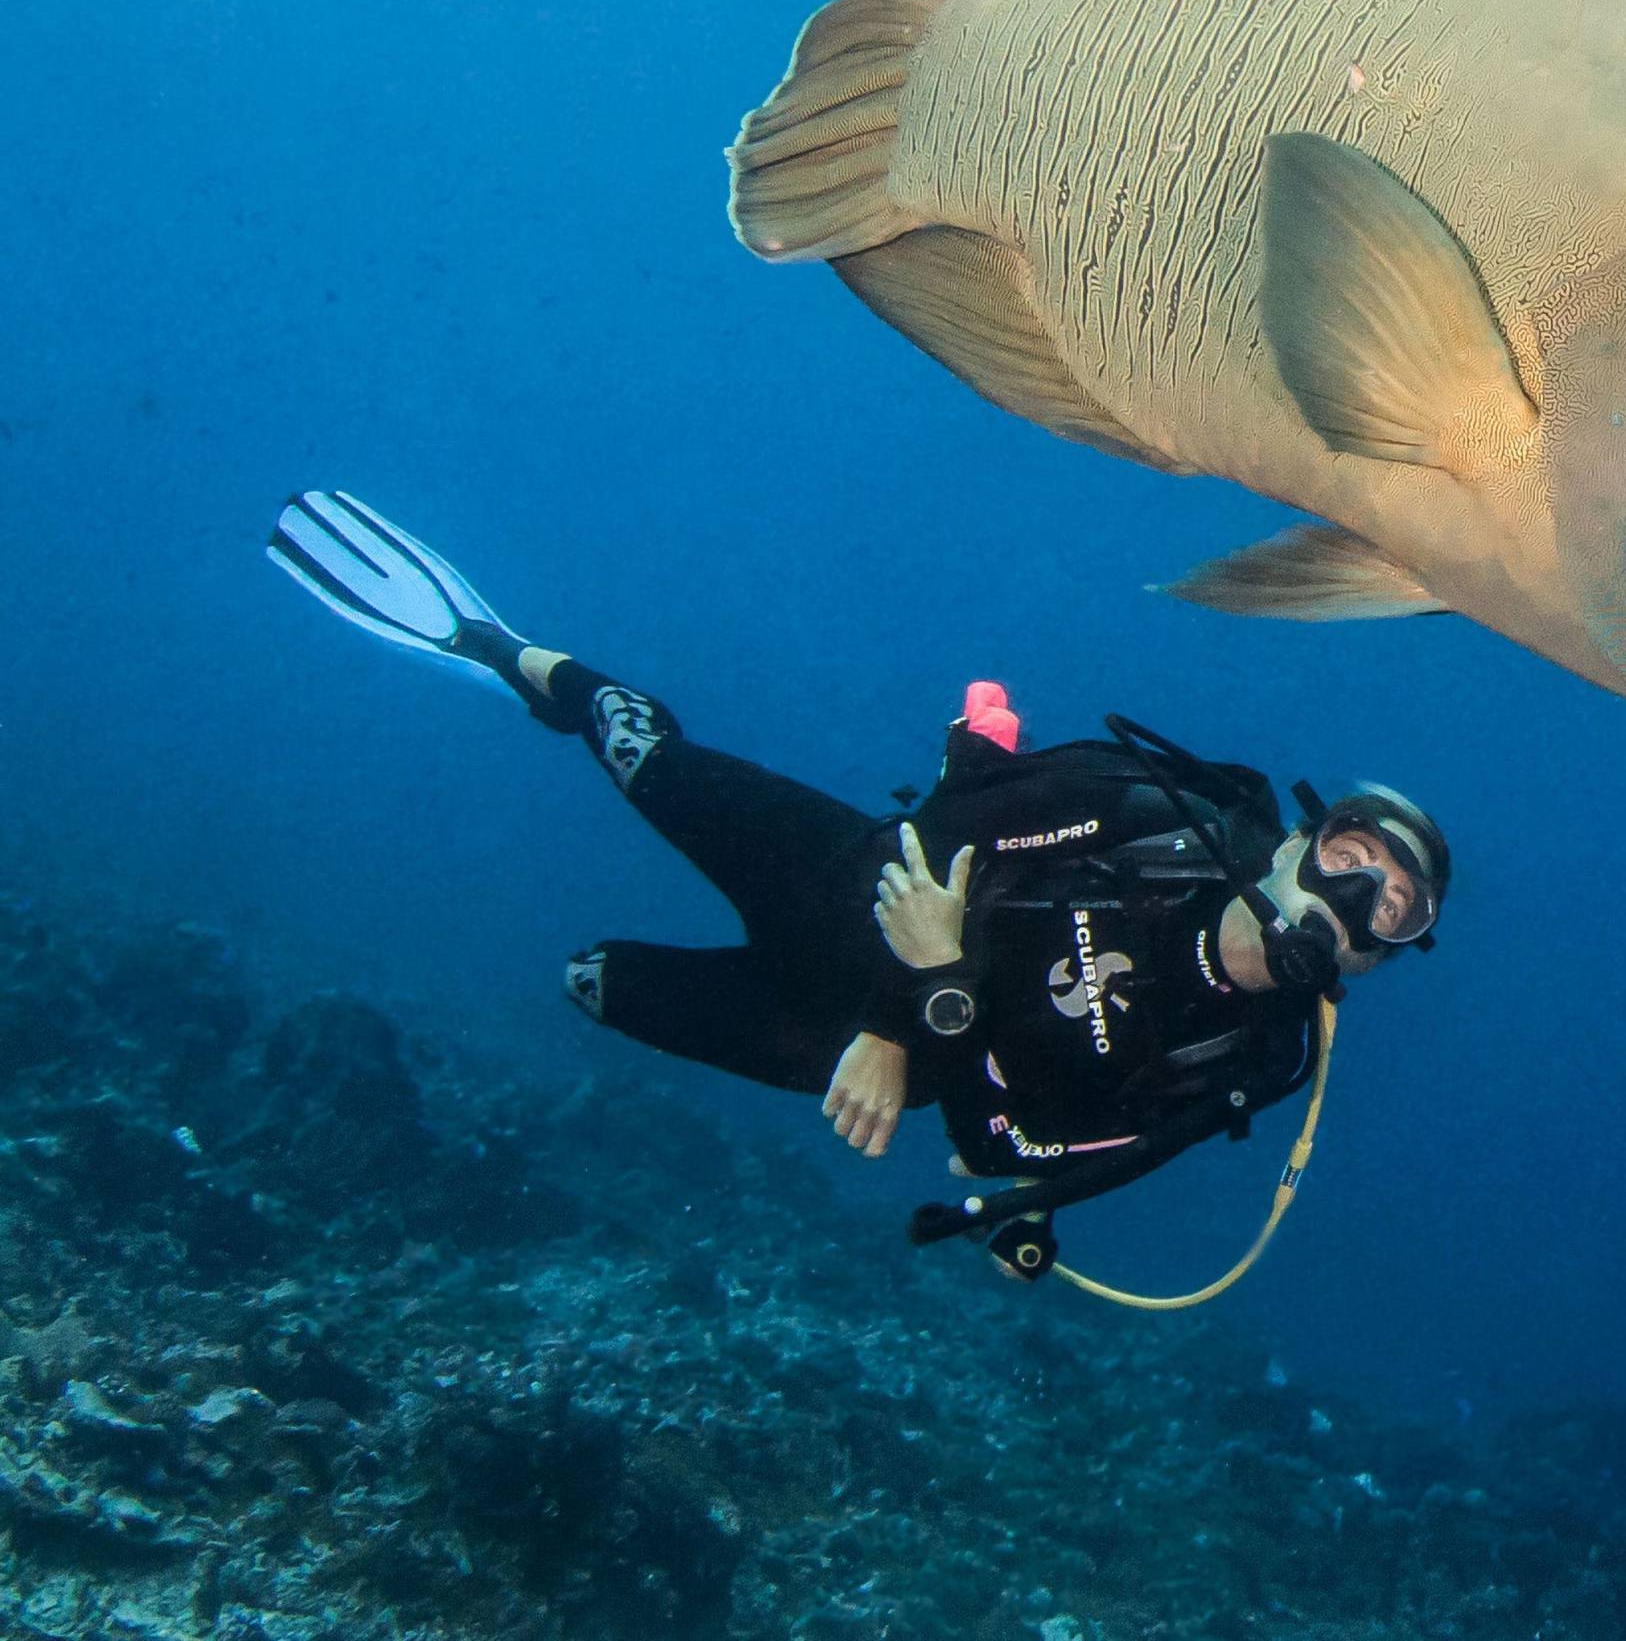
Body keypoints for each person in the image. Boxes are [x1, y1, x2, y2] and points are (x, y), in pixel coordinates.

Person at [265, 489, 1449, 1274]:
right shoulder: (1157, 824)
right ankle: (509, 657)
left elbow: (1027, 1148)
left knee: (587, 981)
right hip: (835, 878)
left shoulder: (1256, 1059)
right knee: (637, 749)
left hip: (847, 1057)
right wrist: (911, 1000)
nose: (1354, 903)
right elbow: (956, 825)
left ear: (1384, 957)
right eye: (1352, 861)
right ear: (1296, 842)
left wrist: (991, 1157)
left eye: (1392, 911)